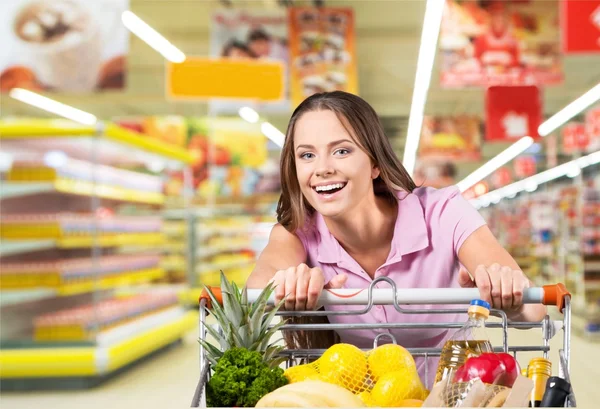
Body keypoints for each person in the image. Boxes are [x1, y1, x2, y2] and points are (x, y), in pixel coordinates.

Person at [246, 91, 546, 385]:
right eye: (307, 155)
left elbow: (534, 308)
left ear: (375, 163)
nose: (323, 168)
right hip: (363, 399)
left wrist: (510, 295)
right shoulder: (299, 233)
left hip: (454, 396)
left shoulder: (442, 213)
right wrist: (288, 282)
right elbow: (257, 288)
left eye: (342, 151)